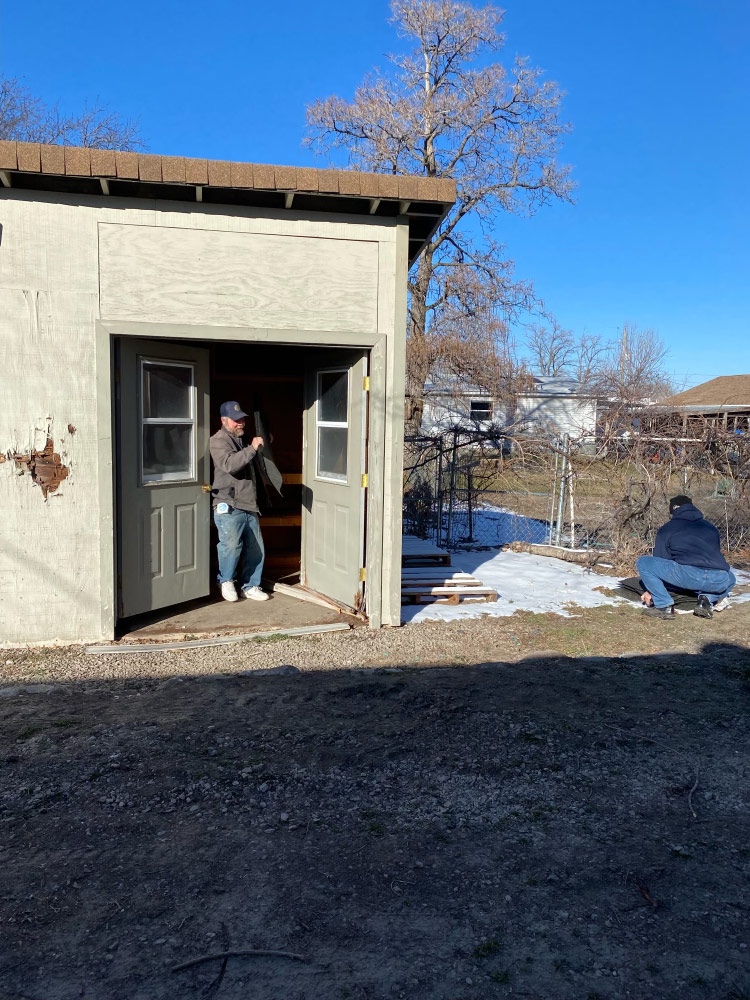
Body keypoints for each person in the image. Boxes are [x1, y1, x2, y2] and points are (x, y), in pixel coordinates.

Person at [636, 495, 736, 619]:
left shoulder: (667, 529)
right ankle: (706, 600)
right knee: (731, 577)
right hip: (718, 580)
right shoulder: (711, 528)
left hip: (688, 576)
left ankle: (663, 605)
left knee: (643, 562)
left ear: (674, 510)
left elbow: (661, 560)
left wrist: (651, 590)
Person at [209, 401, 270, 603]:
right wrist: (252, 448)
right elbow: (229, 465)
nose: (240, 423)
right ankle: (225, 580)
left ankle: (251, 586)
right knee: (230, 546)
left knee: (256, 548)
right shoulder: (217, 441)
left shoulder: (242, 440)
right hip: (228, 503)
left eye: (242, 419)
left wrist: (265, 443)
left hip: (248, 503)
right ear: (223, 420)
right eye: (235, 420)